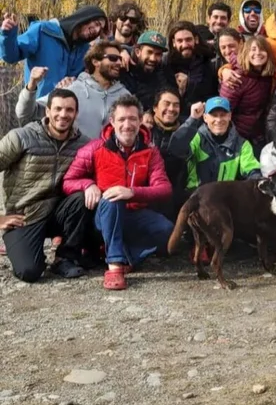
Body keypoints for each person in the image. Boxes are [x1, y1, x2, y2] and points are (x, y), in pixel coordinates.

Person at [62, 95, 174, 291]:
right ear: (112, 122)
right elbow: (68, 180)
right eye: (121, 119)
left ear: (140, 121)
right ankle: (114, 265)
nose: (127, 125)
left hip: (133, 214)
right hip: (102, 217)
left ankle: (128, 254)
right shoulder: (95, 148)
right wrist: (88, 185)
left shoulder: (150, 152)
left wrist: (131, 192)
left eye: (132, 119)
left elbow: (164, 188)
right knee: (113, 199)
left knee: (168, 230)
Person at [0, 88, 91, 283]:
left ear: (76, 113)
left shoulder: (83, 144)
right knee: (29, 271)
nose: (63, 115)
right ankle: (26, 249)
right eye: (57, 109)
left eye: (69, 110)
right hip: (25, 216)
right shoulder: (21, 137)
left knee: (81, 197)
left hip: (59, 212)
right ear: (47, 111)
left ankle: (65, 257)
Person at [16, 41, 131, 139]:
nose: (119, 63)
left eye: (120, 59)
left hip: (109, 164)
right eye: (113, 58)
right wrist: (31, 85)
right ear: (95, 61)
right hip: (74, 162)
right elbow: (26, 114)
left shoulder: (125, 96)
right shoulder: (72, 89)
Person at [0, 5, 107, 97]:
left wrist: (109, 41)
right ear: (85, 17)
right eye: (97, 24)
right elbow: (11, 56)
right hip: (38, 110)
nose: (97, 31)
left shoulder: (85, 52)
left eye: (100, 29)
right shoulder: (43, 31)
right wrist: (8, 36)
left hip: (67, 114)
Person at [169, 97, 262, 193]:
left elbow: (253, 171)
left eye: (223, 115)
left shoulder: (242, 145)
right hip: (195, 198)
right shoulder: (196, 138)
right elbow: (176, 149)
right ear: (205, 118)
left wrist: (257, 181)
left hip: (224, 201)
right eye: (214, 115)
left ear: (230, 116)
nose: (218, 119)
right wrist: (193, 119)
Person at [219, 35, 275, 153]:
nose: (258, 53)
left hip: (258, 135)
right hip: (237, 137)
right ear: (246, 53)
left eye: (262, 49)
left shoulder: (266, 77)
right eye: (253, 50)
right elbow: (224, 110)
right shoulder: (236, 78)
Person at [146, 88, 187, 221]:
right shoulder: (144, 131)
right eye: (167, 103)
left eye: (176, 105)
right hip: (147, 196)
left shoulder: (187, 131)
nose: (171, 109)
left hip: (177, 196)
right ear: (155, 108)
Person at [165, 21, 218, 119]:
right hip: (174, 119)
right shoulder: (166, 63)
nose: (185, 45)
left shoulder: (208, 62)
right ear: (173, 43)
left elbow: (213, 94)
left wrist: (189, 83)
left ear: (196, 39)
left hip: (203, 119)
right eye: (180, 41)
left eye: (188, 40)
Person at [119, 30, 175, 112]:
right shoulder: (123, 67)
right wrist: (121, 49)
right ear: (138, 52)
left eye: (158, 54)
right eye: (149, 52)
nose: (153, 58)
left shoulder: (163, 73)